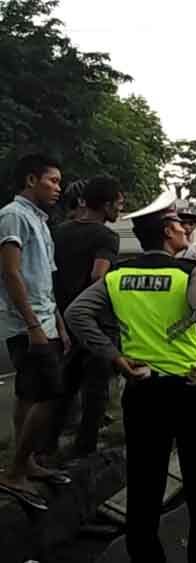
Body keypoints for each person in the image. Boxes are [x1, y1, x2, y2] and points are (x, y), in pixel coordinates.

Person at [66, 193, 196, 563]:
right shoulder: (189, 272)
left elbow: (77, 314)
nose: (185, 229)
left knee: (144, 484)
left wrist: (115, 356)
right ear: (167, 232)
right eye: (179, 224)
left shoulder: (119, 275)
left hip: (142, 389)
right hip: (189, 389)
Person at [0, 154, 72, 511]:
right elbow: (11, 273)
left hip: (44, 320)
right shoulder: (12, 215)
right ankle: (14, 472)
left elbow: (44, 279)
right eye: (53, 181)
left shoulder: (40, 221)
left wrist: (58, 323)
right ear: (31, 180)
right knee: (50, 394)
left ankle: (25, 462)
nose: (58, 188)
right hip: (26, 325)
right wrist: (32, 326)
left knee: (29, 395)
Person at [49, 175, 124, 458]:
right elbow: (97, 275)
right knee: (95, 391)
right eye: (118, 203)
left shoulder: (58, 232)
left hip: (63, 317)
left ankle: (47, 445)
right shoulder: (106, 236)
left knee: (64, 387)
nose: (120, 209)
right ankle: (86, 450)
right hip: (95, 322)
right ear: (105, 205)